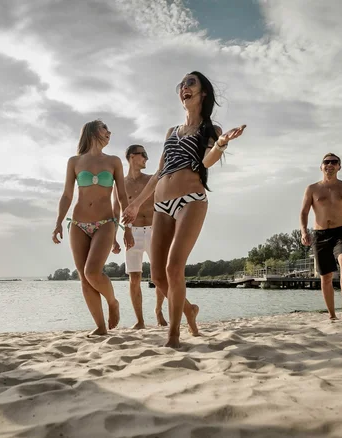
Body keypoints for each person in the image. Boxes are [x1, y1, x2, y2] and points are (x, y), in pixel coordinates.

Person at [122, 72, 246, 348]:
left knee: (174, 266)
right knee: (156, 276)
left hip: (191, 200)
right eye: (182, 85)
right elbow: (158, 172)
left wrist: (222, 143)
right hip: (160, 205)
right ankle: (189, 310)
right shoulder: (171, 132)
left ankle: (174, 335)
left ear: (203, 93)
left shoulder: (209, 130)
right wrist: (136, 202)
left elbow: (208, 160)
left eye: (191, 83)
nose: (184, 88)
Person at [53, 120, 130, 335]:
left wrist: (127, 226)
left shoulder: (114, 161)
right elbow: (67, 194)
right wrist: (58, 222)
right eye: (106, 129)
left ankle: (113, 302)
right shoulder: (74, 161)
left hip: (105, 223)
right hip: (78, 223)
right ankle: (100, 327)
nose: (109, 133)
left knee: (92, 272)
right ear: (94, 131)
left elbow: (122, 196)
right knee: (83, 277)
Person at [300, 153, 342, 320]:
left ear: (339, 167)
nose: (330, 164)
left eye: (334, 162)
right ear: (321, 167)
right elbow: (304, 212)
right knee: (326, 277)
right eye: (326, 162)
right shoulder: (312, 189)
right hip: (319, 235)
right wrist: (304, 231)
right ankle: (332, 315)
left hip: (341, 232)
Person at [112, 145, 167, 329]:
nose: (146, 158)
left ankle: (158, 311)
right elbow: (116, 211)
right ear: (132, 157)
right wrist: (114, 237)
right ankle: (140, 321)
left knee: (159, 275)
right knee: (134, 278)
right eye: (143, 154)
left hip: (154, 230)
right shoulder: (121, 184)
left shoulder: (151, 180)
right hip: (132, 233)